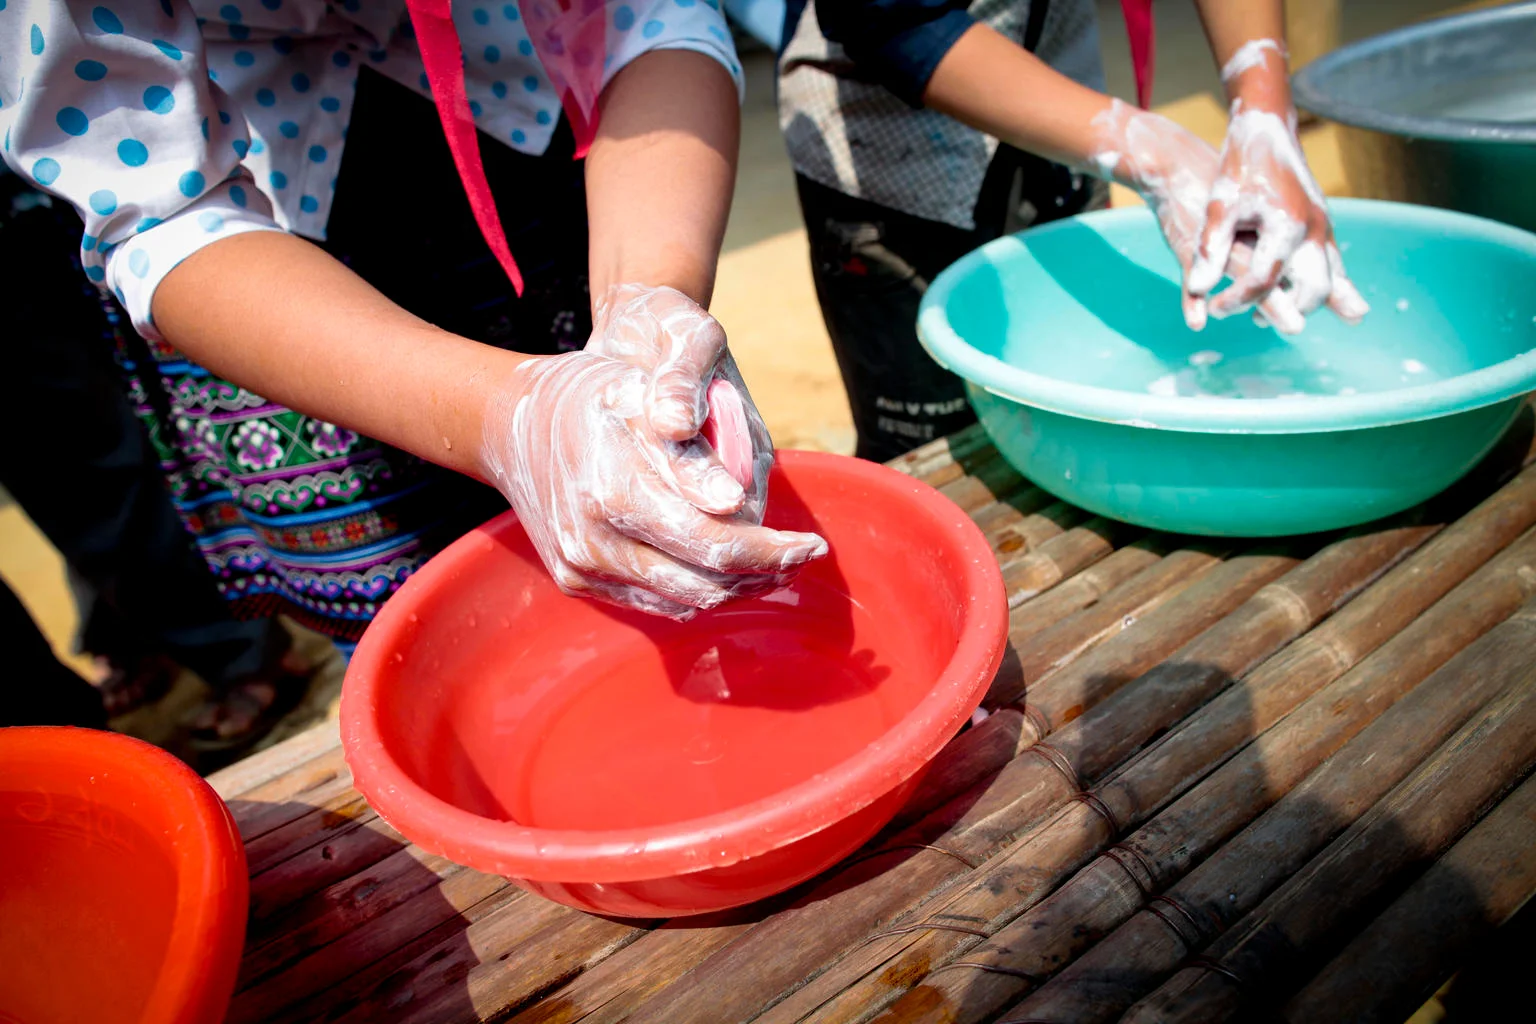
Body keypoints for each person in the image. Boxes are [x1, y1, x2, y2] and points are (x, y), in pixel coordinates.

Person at [1, 2, 824, 731]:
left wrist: (649, 300)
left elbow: (653, 16)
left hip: (557, 148)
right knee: (439, 663)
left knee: (660, 516)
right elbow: (161, 210)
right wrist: (515, 417)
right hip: (266, 268)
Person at [780, 0, 1368, 461]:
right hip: (892, 160)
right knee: (939, 455)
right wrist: (1154, 154)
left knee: (1080, 417)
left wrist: (1262, 111)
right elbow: (888, 13)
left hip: (1066, 112)